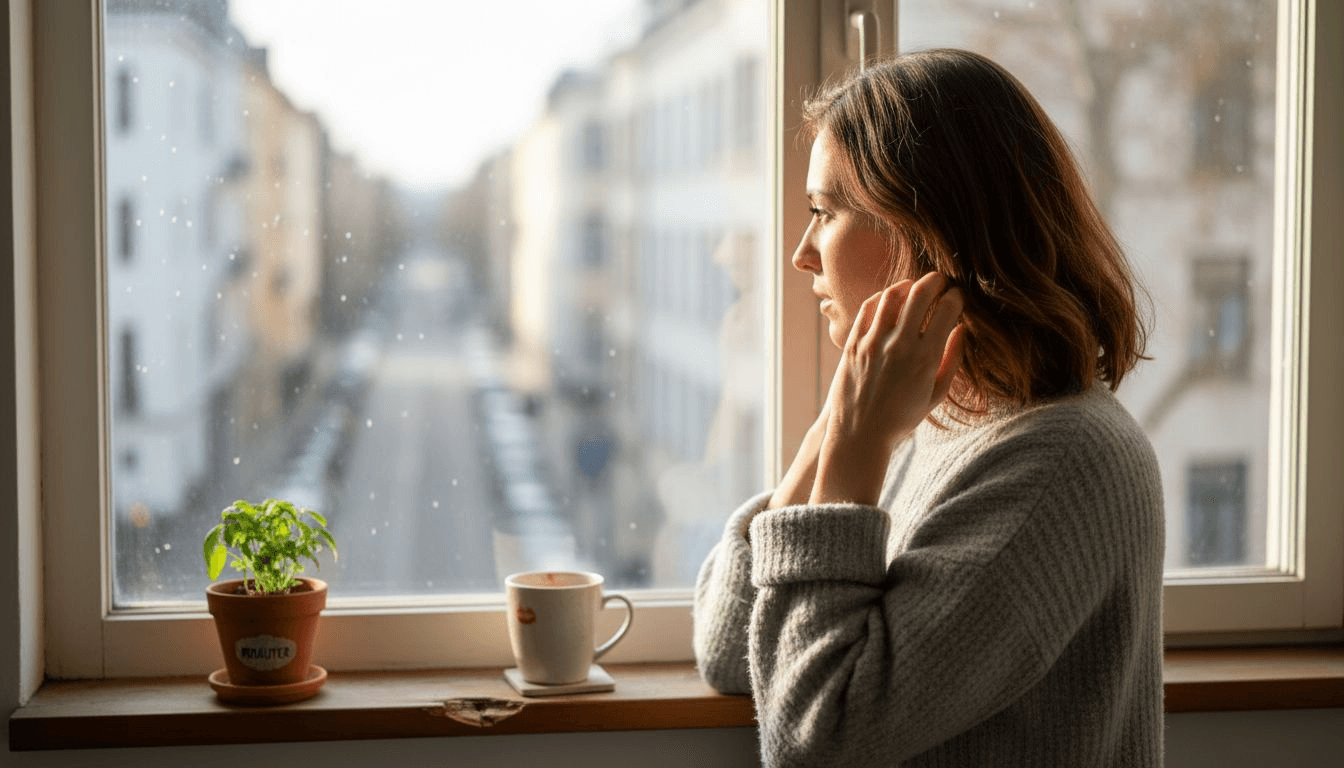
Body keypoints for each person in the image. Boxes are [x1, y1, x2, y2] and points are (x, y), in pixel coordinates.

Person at [692, 48, 1165, 767]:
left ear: (926, 229)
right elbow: (731, 648)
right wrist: (836, 426)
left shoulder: (1064, 460)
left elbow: (816, 739)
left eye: (823, 213)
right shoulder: (937, 421)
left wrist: (856, 440)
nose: (802, 254)